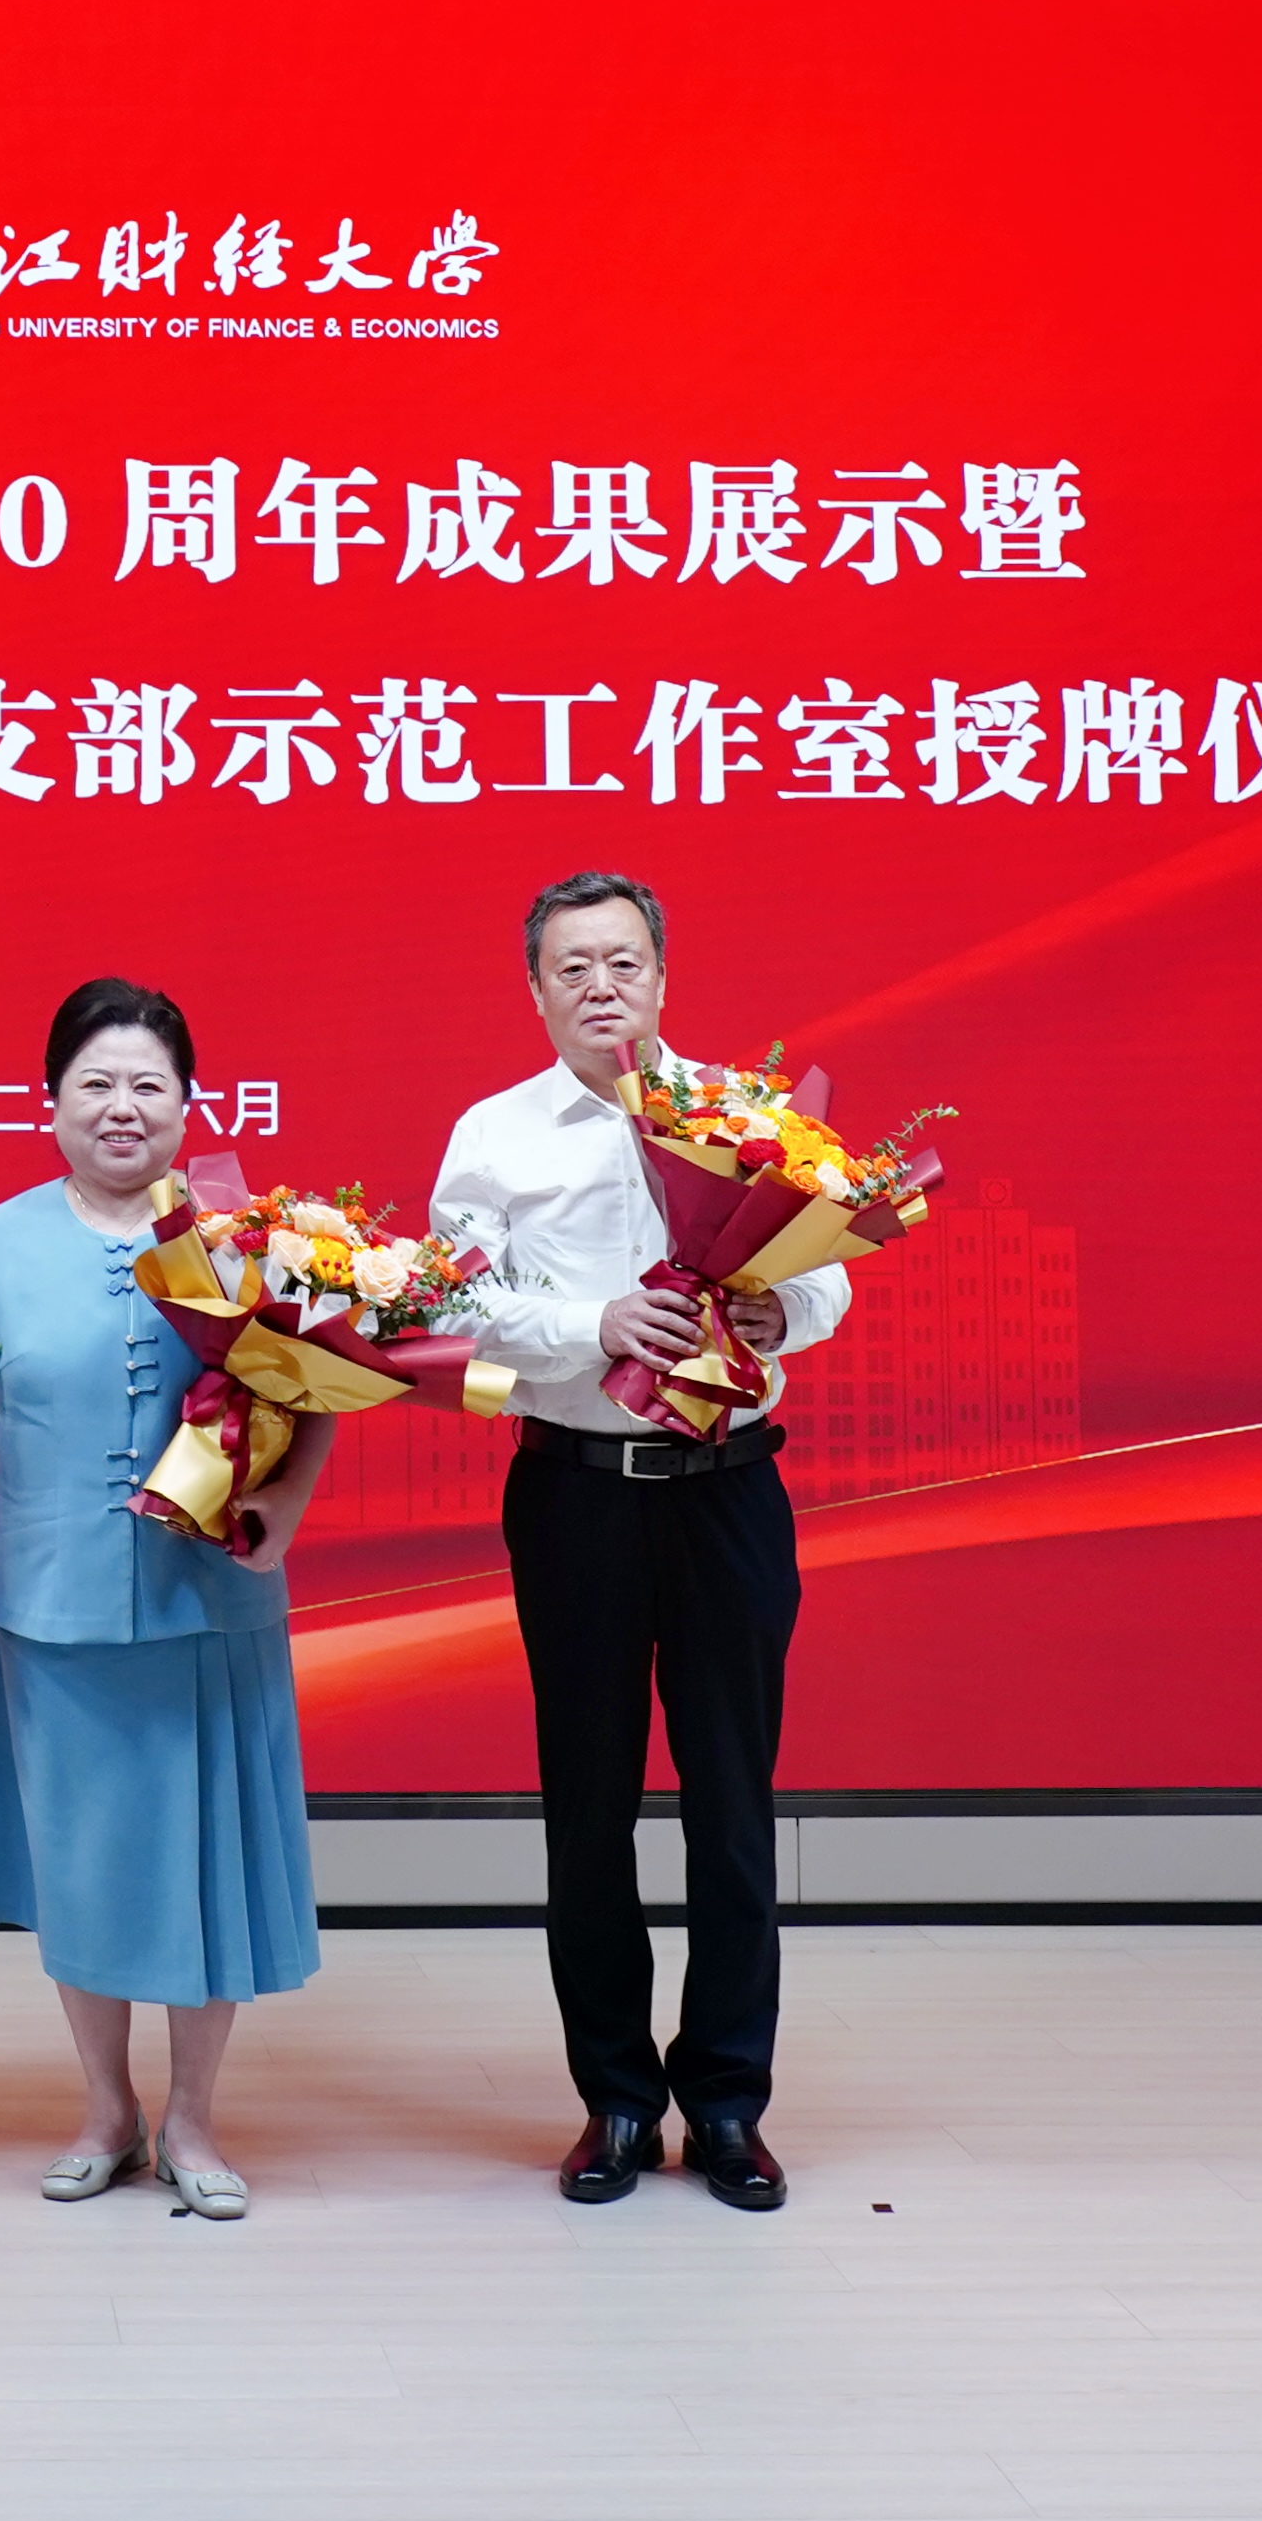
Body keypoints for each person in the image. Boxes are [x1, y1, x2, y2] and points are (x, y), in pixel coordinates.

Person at [430, 870, 849, 2213]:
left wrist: (788, 1315)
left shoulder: (744, 1114)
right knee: (587, 1803)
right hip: (579, 1494)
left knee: (734, 1803)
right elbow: (452, 1307)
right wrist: (594, 1325)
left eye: (622, 961)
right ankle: (614, 2097)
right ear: (536, 989)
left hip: (728, 1490)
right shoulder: (495, 1133)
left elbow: (829, 1267)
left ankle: (727, 2101)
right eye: (573, 967)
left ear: (663, 976)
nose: (600, 986)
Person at [0, 977, 320, 2218]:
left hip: (212, 1601)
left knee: (207, 1867)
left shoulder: (245, 1237)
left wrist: (289, 1503)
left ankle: (193, 2118)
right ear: (50, 1102)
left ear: (190, 1104)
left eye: (149, 1082)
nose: (122, 1105)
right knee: (80, 1869)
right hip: (51, 1610)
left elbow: (317, 1385)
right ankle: (107, 2108)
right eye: (96, 1082)